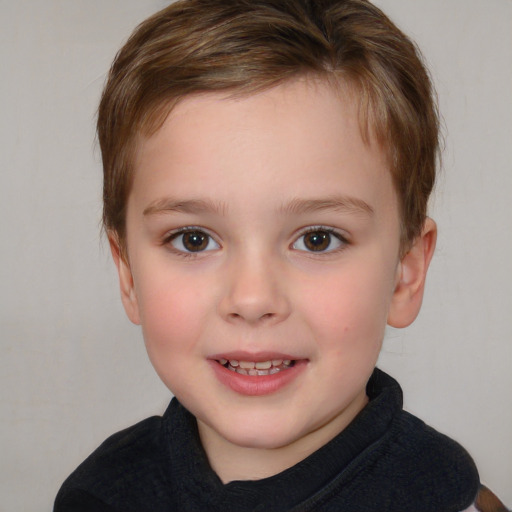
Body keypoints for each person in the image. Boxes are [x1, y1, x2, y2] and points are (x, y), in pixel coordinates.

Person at [54, 0, 509, 510]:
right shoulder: (99, 494)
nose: (252, 299)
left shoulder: (448, 499)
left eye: (318, 239)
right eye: (194, 239)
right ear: (129, 275)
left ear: (406, 273)